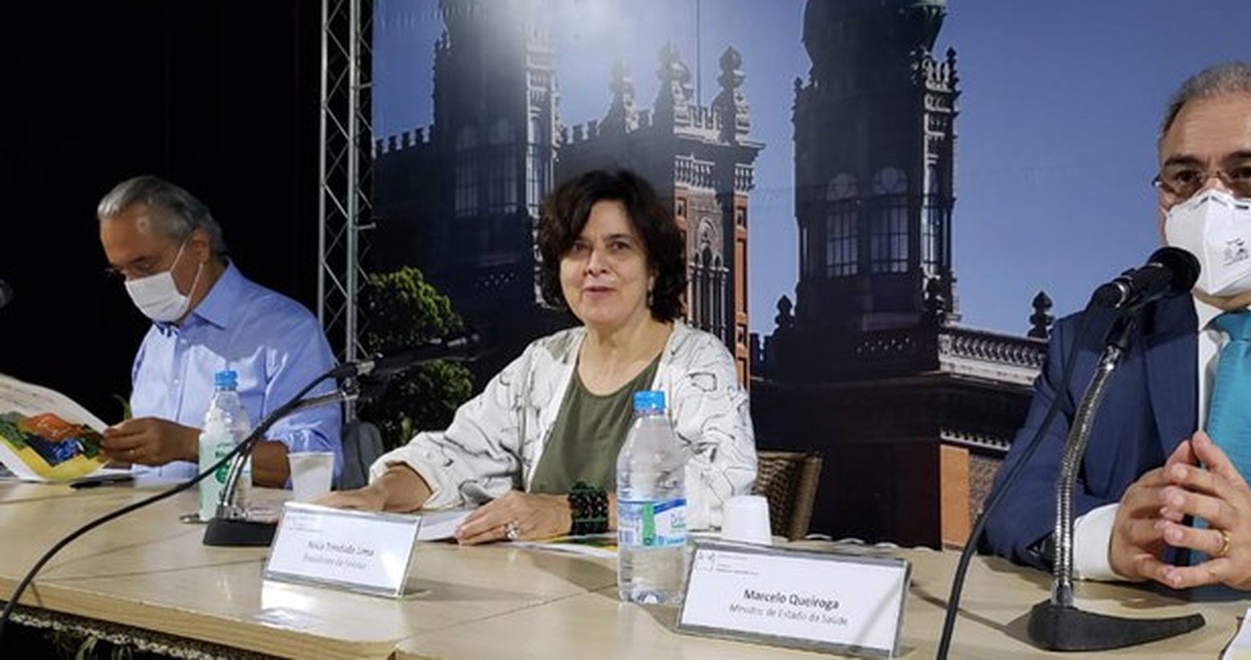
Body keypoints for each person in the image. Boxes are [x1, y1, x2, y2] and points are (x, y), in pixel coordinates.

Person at [316, 168, 758, 544]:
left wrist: (569, 512)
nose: (595, 265)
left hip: (649, 593)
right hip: (535, 592)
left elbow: (721, 490)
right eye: (578, 248)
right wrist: (378, 495)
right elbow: (454, 455)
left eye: (618, 246)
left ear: (654, 269)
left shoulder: (697, 361)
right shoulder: (544, 361)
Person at [982, 61, 1251, 593]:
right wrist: (1107, 539)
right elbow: (1014, 506)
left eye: (1247, 172)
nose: (1210, 200)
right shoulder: (1091, 342)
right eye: (1185, 177)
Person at [97, 175, 343, 487]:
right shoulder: (155, 340)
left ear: (199, 247)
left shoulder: (285, 331)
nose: (134, 283)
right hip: (146, 516)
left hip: (238, 518)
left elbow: (316, 465)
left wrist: (190, 445)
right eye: (121, 272)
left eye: (144, 265)